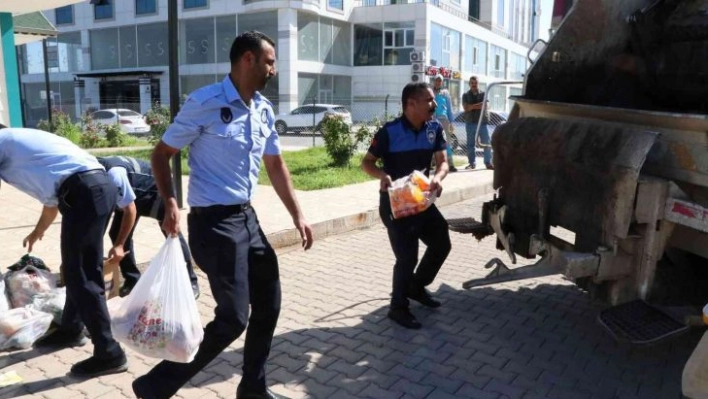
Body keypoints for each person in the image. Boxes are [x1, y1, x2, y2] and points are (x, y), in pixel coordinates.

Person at [132, 31, 314, 399]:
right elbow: (161, 153)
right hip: (213, 224)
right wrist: (169, 200)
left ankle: (252, 388)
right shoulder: (205, 102)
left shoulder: (263, 109)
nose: (273, 69)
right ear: (247, 59)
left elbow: (275, 164)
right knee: (233, 318)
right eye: (269, 61)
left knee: (269, 303)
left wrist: (298, 214)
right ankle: (154, 385)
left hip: (248, 220)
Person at [0, 127, 128, 378]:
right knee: (75, 270)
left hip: (85, 192)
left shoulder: (4, 141)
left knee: (84, 276)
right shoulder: (21, 144)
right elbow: (52, 200)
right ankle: (71, 329)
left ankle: (109, 353)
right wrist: (38, 231)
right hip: (89, 190)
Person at [360, 82, 452, 330]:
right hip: (395, 203)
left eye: (433, 100)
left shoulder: (434, 128)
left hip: (421, 200)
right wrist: (382, 176)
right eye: (429, 100)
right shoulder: (389, 132)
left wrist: (437, 178)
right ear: (411, 104)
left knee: (442, 242)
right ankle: (397, 308)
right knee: (407, 257)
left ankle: (416, 286)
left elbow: (443, 162)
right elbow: (366, 163)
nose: (434, 105)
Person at [97, 156, 200, 299]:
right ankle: (133, 281)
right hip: (132, 191)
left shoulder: (114, 175)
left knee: (171, 232)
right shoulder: (95, 173)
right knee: (116, 233)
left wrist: (119, 245)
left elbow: (130, 210)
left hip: (155, 188)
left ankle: (190, 282)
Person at [462, 76, 493, 169]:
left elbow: (486, 105)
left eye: (475, 83)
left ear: (478, 83)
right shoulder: (465, 95)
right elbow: (465, 108)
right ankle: (472, 163)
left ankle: (488, 163)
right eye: (472, 83)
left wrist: (471, 106)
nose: (474, 85)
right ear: (469, 84)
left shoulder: (484, 94)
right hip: (470, 123)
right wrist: (479, 105)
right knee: (470, 144)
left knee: (487, 143)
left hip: (482, 123)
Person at [432, 74, 458, 172]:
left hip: (444, 120)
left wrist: (451, 122)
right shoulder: (431, 92)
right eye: (436, 80)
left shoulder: (445, 93)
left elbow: (449, 108)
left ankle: (450, 164)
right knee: (432, 141)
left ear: (442, 82)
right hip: (433, 120)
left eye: (440, 81)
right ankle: (432, 162)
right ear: (434, 81)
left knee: (446, 142)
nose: (438, 82)